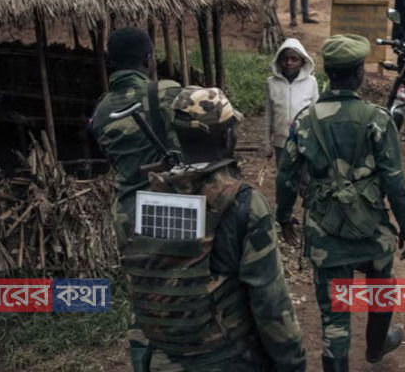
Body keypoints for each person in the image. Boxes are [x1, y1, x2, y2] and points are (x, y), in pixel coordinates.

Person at [122, 87, 307, 371]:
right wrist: (292, 362)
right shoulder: (243, 203)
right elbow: (270, 300)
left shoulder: (153, 195)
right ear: (228, 136)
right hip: (226, 357)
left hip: (163, 356)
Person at [275, 35, 405, 372]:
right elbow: (394, 180)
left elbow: (286, 175)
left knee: (335, 318)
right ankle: (376, 347)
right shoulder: (377, 118)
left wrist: (284, 216)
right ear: (358, 74)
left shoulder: (305, 120)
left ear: (328, 74)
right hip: (371, 227)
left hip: (325, 231)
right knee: (382, 286)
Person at [91, 27, 182, 241]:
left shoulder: (100, 110)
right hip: (170, 207)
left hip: (126, 216)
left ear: (111, 61)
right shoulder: (167, 92)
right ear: (148, 59)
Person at [266, 38, 319, 164]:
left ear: (303, 62)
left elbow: (316, 113)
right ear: (278, 61)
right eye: (284, 59)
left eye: (294, 59)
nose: (289, 63)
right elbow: (268, 115)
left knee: (303, 172)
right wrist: (266, 142)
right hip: (281, 141)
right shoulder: (272, 83)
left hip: (304, 140)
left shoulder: (311, 82)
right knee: (283, 170)